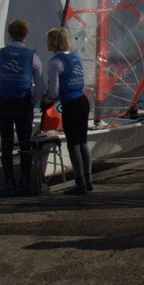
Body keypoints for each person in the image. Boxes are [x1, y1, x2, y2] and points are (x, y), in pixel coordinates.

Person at [0, 18, 44, 196]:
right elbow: (40, 86)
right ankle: (25, 179)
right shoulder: (33, 57)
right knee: (25, 143)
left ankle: (9, 180)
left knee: (6, 143)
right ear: (26, 34)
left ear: (9, 34)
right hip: (23, 102)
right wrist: (32, 101)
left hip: (3, 102)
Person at [41, 27, 92, 194]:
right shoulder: (76, 57)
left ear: (54, 42)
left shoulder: (55, 63)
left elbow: (54, 91)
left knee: (73, 144)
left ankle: (80, 184)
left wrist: (46, 101)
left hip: (71, 104)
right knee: (83, 142)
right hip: (83, 101)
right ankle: (88, 180)